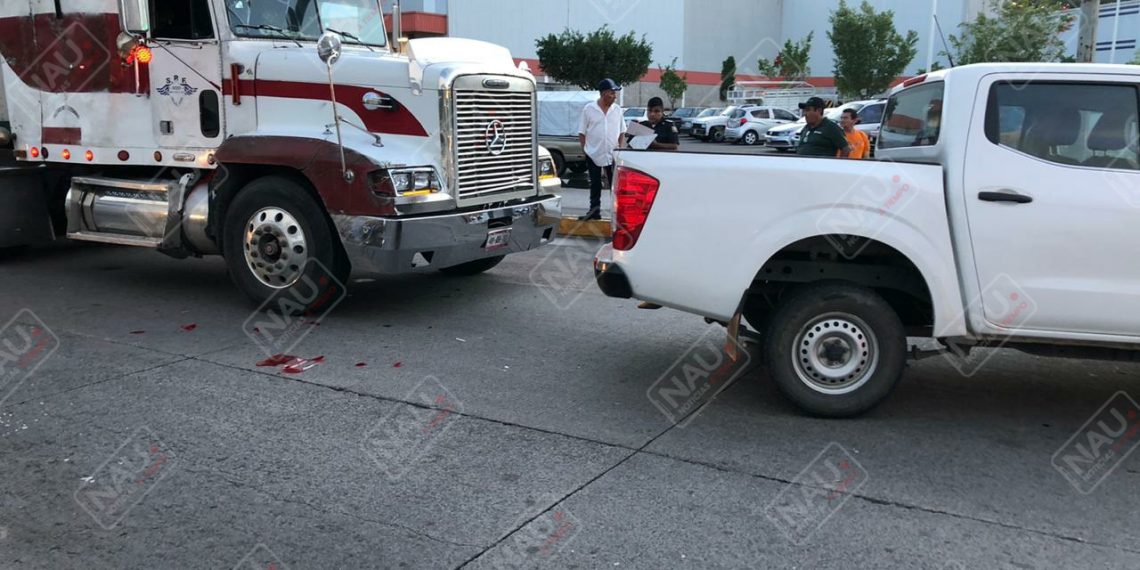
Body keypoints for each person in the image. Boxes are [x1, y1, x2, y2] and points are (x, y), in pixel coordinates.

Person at [578, 79, 626, 221]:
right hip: (593, 153)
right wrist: (585, 150)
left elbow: (622, 130)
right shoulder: (589, 109)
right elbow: (582, 132)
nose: (615, 96)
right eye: (612, 93)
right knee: (595, 183)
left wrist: (620, 147)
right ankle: (594, 211)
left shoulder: (617, 110)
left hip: (612, 154)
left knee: (614, 185)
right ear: (604, 94)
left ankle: (617, 213)